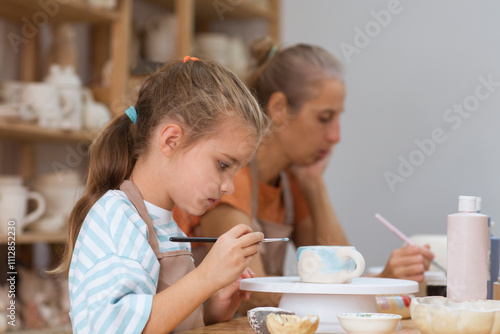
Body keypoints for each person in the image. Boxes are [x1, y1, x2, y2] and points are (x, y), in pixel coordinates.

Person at [174, 39, 435, 311]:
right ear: (279, 109)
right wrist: (379, 283)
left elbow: (342, 269)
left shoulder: (291, 179)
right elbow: (255, 292)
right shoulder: (230, 178)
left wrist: (314, 184)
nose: (336, 136)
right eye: (324, 118)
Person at [52, 57, 270, 333]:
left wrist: (215, 305)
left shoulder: (166, 225)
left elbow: (168, 318)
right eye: (223, 165)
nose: (229, 187)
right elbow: (117, 328)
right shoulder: (116, 218)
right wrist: (206, 277)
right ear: (171, 141)